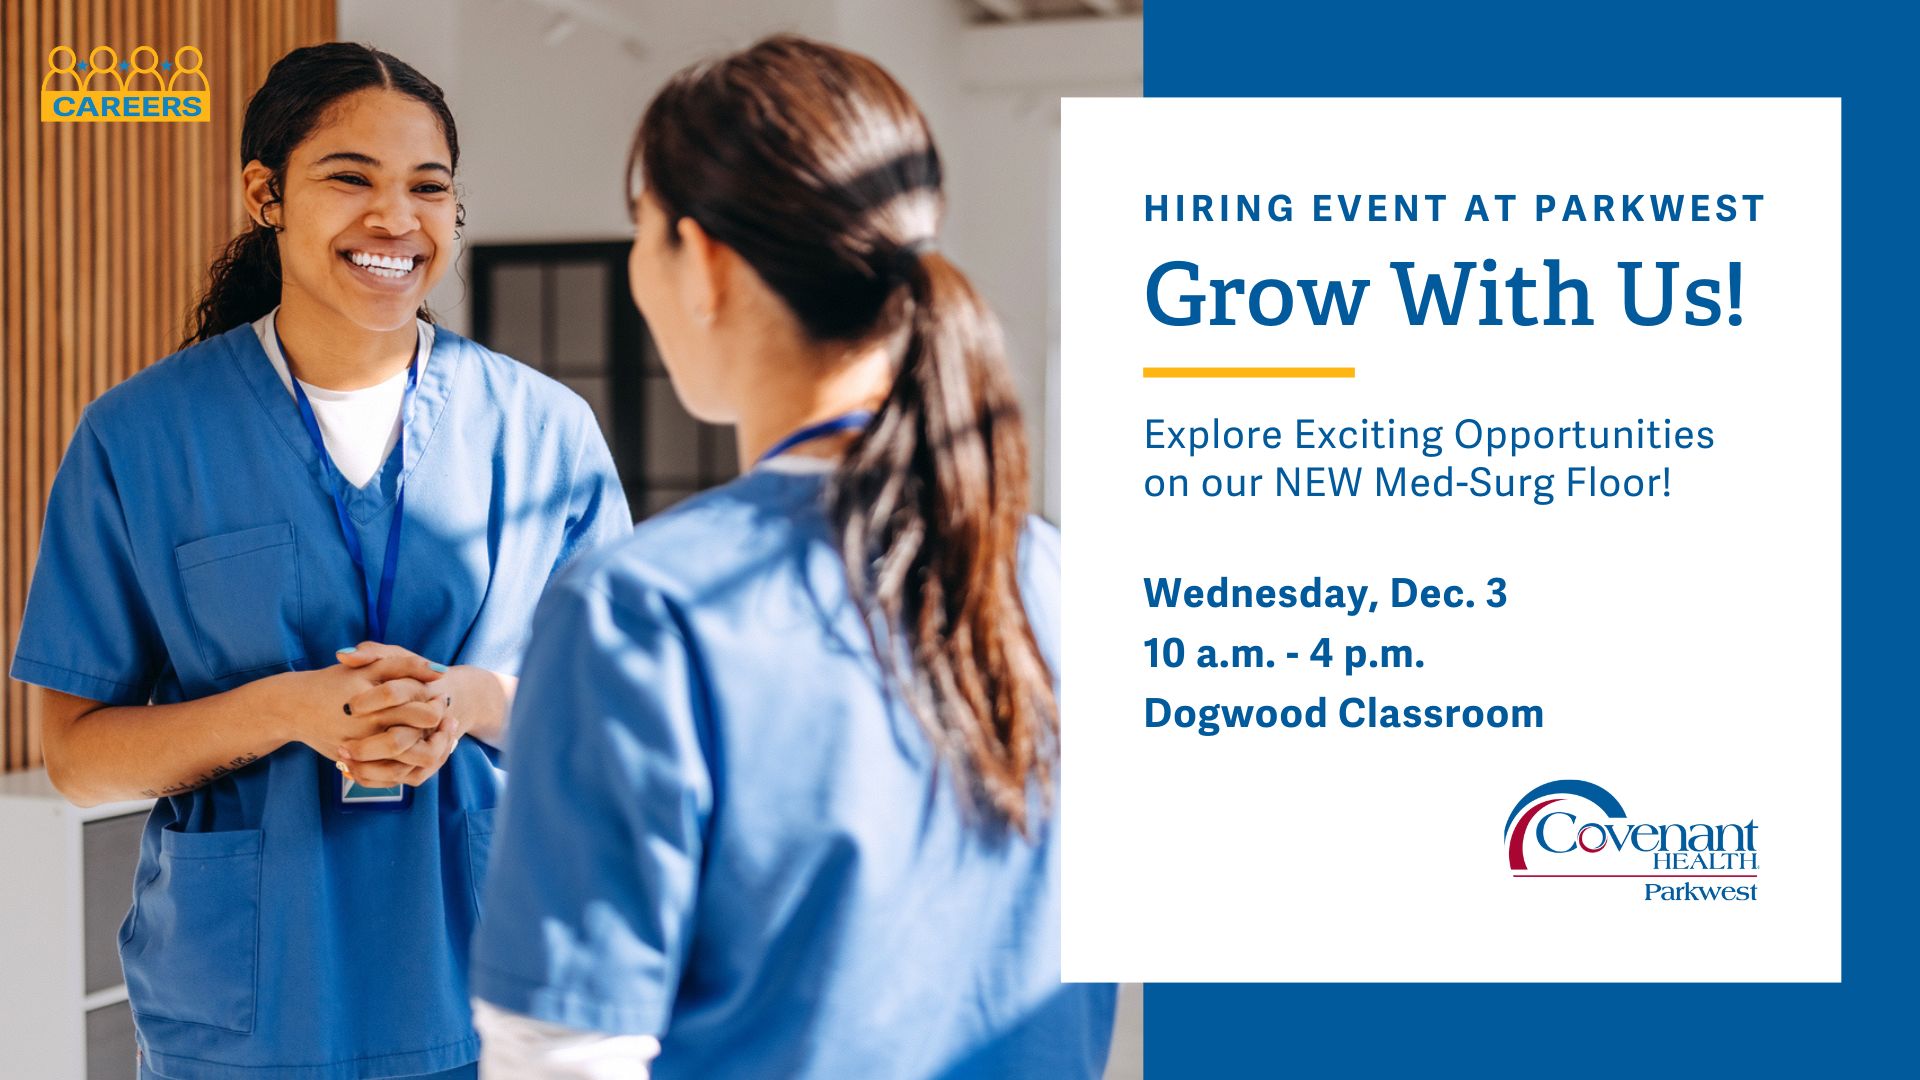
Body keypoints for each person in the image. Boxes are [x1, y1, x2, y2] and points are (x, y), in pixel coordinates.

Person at [469, 34, 1115, 1079]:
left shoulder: (643, 611)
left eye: (640, 230)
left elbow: (563, 1056)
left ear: (704, 263)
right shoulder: (1062, 584)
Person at [8, 43, 631, 1080]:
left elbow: (615, 721)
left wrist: (469, 700)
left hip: (497, 995)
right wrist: (286, 710)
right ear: (266, 195)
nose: (396, 219)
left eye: (428, 187)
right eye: (351, 178)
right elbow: (76, 757)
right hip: (256, 1017)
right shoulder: (142, 437)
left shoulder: (544, 433)